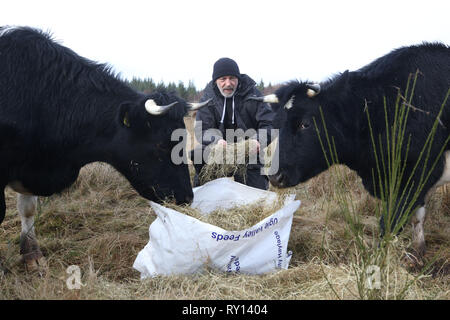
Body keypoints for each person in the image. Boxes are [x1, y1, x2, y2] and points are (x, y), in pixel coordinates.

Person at [190, 57, 275, 190]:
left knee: (255, 197)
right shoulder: (208, 98)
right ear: (216, 81)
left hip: (249, 153)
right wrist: (217, 141)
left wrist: (257, 141)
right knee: (199, 155)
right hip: (218, 151)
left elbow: (269, 123)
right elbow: (203, 130)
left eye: (232, 78)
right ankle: (203, 194)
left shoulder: (252, 94)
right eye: (223, 79)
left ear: (238, 79)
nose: (228, 83)